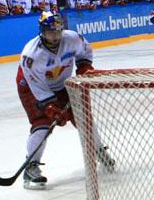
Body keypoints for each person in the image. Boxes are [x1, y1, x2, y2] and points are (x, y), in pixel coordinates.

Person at [16, 12, 115, 189]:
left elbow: (85, 51)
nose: (55, 36)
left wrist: (84, 65)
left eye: (58, 31)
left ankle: (99, 150)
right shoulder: (32, 55)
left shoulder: (73, 38)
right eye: (50, 32)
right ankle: (31, 167)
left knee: (82, 117)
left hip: (63, 83)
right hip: (31, 87)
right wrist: (51, 107)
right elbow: (38, 87)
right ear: (42, 32)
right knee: (43, 123)